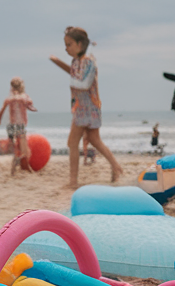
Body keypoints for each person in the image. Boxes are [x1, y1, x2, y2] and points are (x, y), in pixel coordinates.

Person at [49, 27, 122, 190]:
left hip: (87, 108)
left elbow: (84, 83)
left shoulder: (89, 61)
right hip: (82, 107)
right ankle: (116, 166)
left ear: (80, 44)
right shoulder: (76, 62)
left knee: (72, 142)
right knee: (95, 140)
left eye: (69, 44)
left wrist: (71, 83)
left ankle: (73, 181)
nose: (66, 48)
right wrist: (58, 62)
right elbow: (74, 73)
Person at [0, 78, 36, 174]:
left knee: (16, 147)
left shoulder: (10, 99)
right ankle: (24, 165)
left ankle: (14, 167)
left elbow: (2, 110)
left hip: (12, 125)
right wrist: (32, 108)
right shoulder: (24, 97)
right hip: (20, 125)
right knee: (23, 146)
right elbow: (30, 105)